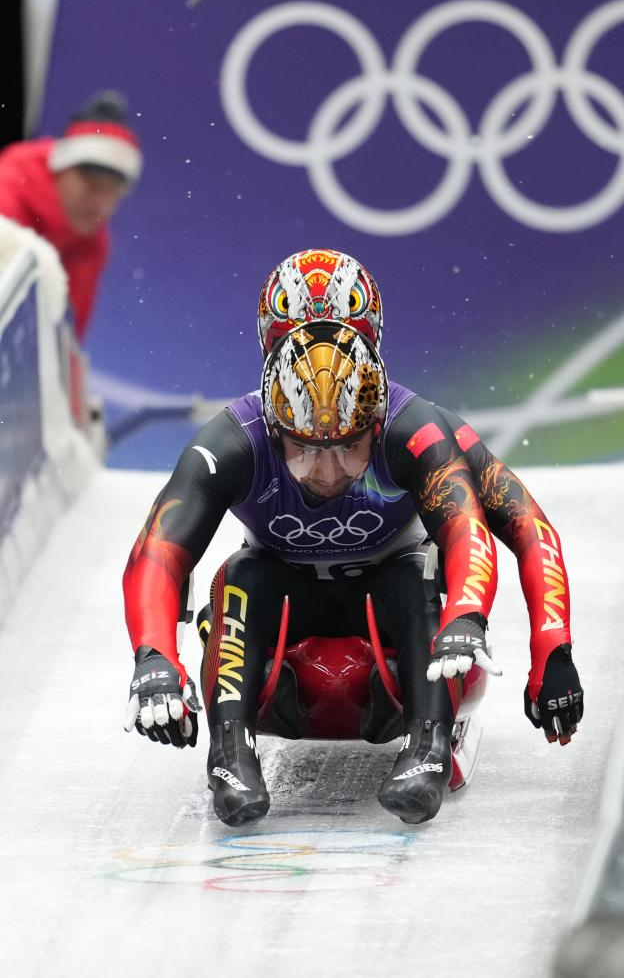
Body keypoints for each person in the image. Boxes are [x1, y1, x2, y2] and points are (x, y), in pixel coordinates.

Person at [123, 319, 501, 826]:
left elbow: (471, 530)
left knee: (421, 575)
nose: (328, 473)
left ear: (376, 425)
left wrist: (469, 617)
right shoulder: (230, 443)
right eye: (305, 451)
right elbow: (156, 553)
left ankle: (428, 742)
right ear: (273, 430)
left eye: (349, 448)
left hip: (393, 604)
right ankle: (230, 751)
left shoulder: (412, 430)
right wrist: (154, 657)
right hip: (284, 608)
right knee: (240, 574)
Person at [258, 249, 584, 745]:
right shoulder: (246, 435)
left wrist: (552, 652)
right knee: (234, 589)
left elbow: (527, 526)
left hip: (401, 631)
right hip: (290, 629)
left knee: (420, 580)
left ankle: (421, 708)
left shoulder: (422, 430)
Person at [0, 90, 142, 340]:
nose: (97, 201)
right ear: (60, 170)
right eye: (90, 182)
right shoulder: (7, 191)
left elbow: (66, 339)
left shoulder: (92, 245)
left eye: (111, 189)